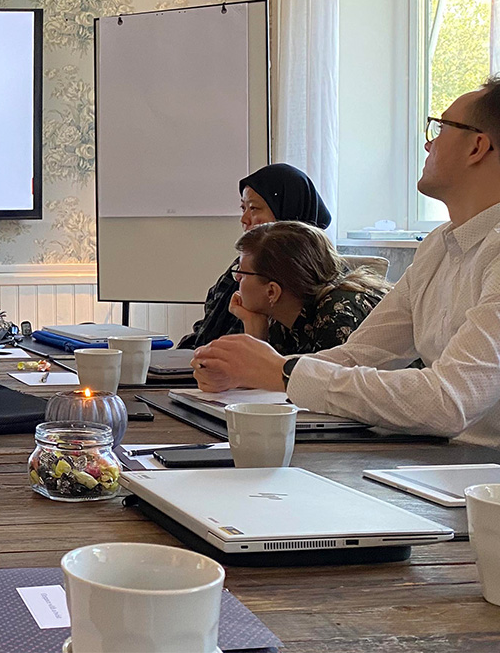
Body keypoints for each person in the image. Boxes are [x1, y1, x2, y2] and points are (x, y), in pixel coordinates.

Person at [194, 79, 500, 448]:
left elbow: (449, 400)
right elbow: (359, 356)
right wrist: (253, 371)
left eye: (440, 127)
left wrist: (284, 372)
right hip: (437, 463)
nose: (428, 143)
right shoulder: (438, 245)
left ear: (477, 146)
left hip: (481, 478)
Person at [178, 163, 332, 349]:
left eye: (254, 209)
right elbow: (206, 329)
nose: (244, 219)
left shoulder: (310, 281)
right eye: (243, 208)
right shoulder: (241, 268)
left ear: (288, 213)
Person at [227, 221, 389, 355]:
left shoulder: (337, 314)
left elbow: (321, 388)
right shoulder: (283, 316)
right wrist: (254, 328)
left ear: (272, 291)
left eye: (242, 272)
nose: (237, 278)